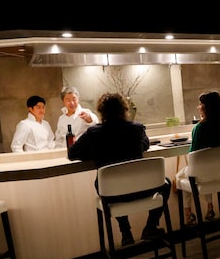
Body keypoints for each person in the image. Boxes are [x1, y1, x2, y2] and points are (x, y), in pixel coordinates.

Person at [68, 92, 169, 246]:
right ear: (124, 109)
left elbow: (72, 153)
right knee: (166, 183)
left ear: (101, 111)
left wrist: (95, 152)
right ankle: (150, 226)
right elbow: (145, 145)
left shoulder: (94, 133)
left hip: (112, 196)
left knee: (107, 185)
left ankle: (125, 231)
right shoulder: (136, 129)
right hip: (142, 189)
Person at [176, 90, 220, 226]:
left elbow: (194, 157)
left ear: (206, 107)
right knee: (204, 172)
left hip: (203, 176)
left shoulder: (200, 128)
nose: (198, 107)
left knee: (182, 176)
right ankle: (210, 207)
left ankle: (188, 214)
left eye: (200, 104)